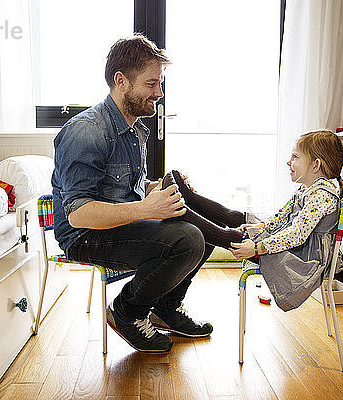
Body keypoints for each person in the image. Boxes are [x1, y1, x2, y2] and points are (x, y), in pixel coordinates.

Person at [52, 35, 217, 354]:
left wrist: (162, 191)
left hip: (116, 225)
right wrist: (147, 209)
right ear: (121, 81)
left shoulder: (134, 129)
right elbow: (79, 213)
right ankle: (127, 313)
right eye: (151, 84)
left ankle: (166, 309)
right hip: (85, 235)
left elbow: (126, 189)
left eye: (160, 83)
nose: (160, 92)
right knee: (188, 239)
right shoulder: (87, 132)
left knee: (204, 228)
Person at [160, 130, 343, 311]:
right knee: (235, 217)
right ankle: (190, 199)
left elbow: (296, 236)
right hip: (295, 246)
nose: (288, 162)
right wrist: (259, 228)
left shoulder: (322, 195)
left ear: (315, 165)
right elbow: (282, 217)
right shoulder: (308, 189)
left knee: (230, 237)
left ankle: (183, 210)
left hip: (301, 260)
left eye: (295, 157)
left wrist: (257, 247)